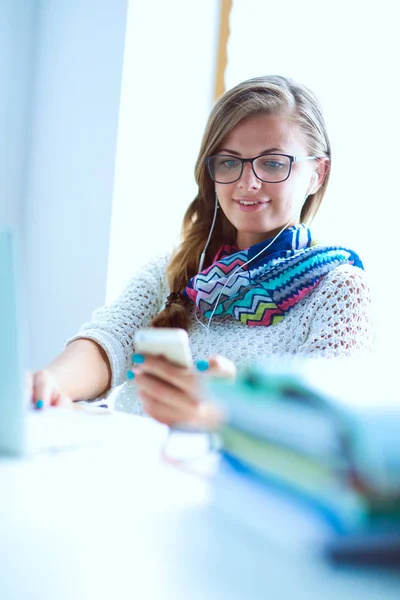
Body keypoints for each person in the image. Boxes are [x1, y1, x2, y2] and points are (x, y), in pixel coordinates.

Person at [31, 75, 373, 426]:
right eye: (229, 161)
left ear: (318, 173)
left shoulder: (339, 289)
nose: (247, 182)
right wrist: (50, 384)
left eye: (273, 163)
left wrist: (224, 413)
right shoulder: (173, 270)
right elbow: (109, 342)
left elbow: (330, 430)